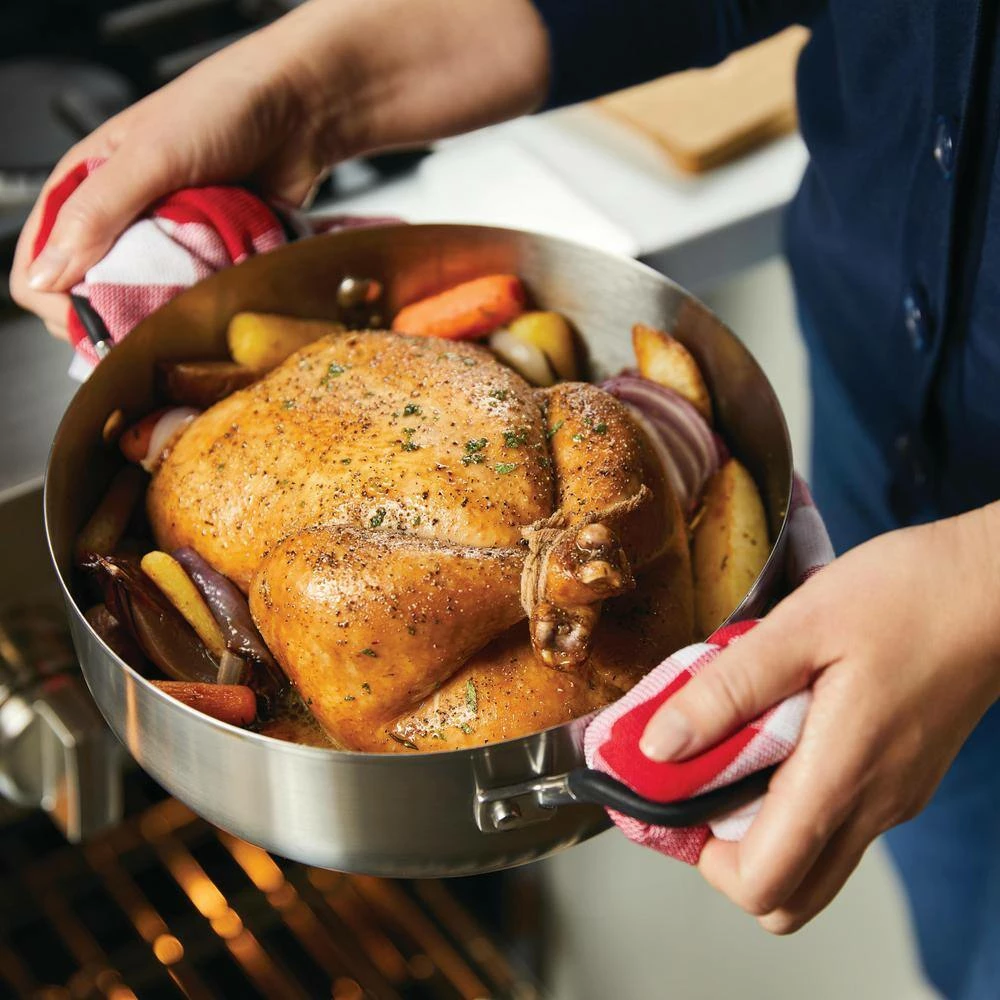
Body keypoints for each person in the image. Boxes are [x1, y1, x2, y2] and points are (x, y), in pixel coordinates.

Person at [10, 2, 1000, 995]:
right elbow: (572, 402)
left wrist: (976, 594)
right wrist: (310, 87)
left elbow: (311, 582)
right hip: (879, 438)